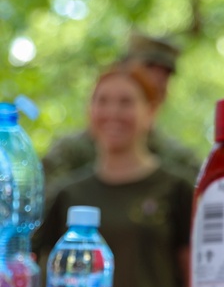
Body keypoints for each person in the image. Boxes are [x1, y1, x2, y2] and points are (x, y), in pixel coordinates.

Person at [34, 62, 193, 287]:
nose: (112, 112)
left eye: (125, 102)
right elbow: (35, 274)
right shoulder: (68, 193)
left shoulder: (175, 188)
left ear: (150, 112)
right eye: (102, 101)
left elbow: (194, 281)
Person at [42, 32, 203, 192]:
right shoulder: (72, 152)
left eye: (165, 74)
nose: (156, 80)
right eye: (148, 68)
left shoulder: (178, 160)